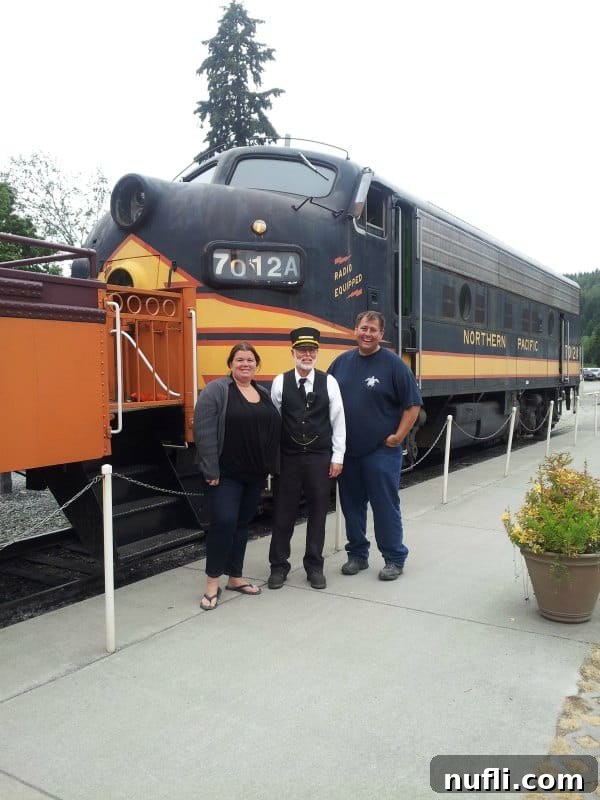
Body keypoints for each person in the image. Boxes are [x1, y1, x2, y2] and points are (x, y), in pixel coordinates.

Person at [328, 311, 422, 581]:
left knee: (384, 506)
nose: (367, 334)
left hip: (381, 451)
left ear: (381, 334)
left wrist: (398, 437)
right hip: (349, 452)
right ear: (355, 330)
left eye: (373, 330)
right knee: (351, 506)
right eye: (363, 328)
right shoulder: (340, 363)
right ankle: (357, 555)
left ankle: (394, 558)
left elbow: (413, 405)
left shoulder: (394, 365)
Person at [194, 342, 281, 610]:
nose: (245, 364)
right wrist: (210, 469)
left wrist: (270, 464)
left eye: (250, 360)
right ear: (231, 364)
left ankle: (235, 577)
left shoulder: (261, 392)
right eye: (240, 360)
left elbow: (271, 428)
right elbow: (204, 432)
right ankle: (212, 585)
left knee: (242, 524)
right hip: (225, 475)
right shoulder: (216, 391)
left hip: (253, 474)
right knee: (224, 523)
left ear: (257, 364)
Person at [268, 327, 345, 590]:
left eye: (312, 350)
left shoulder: (329, 382)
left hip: (319, 457)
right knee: (283, 513)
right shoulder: (280, 382)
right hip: (288, 458)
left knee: (318, 513)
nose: (307, 355)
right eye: (302, 350)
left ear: (317, 353)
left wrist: (338, 457)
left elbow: (338, 421)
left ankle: (314, 566)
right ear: (293, 352)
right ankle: (278, 566)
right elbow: (274, 422)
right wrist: (273, 458)